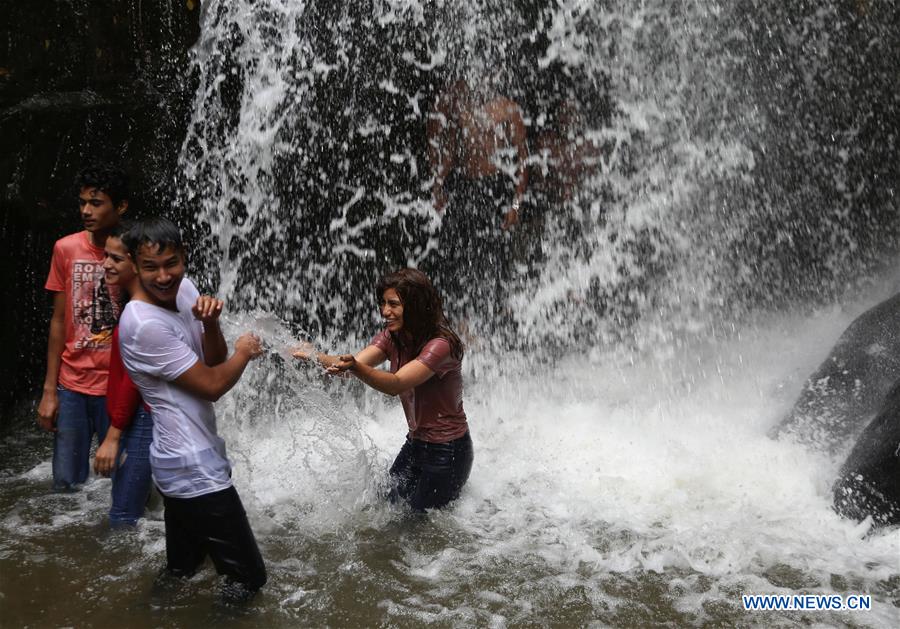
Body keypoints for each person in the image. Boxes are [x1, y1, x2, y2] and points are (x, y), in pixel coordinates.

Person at [117, 217, 267, 596]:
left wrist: (211, 324)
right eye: (150, 267)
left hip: (180, 460)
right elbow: (213, 386)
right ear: (135, 266)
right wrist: (244, 352)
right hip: (193, 467)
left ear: (184, 256)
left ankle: (149, 615)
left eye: (171, 263)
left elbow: (211, 361)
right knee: (249, 580)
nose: (164, 276)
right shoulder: (142, 324)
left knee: (184, 569)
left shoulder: (184, 291)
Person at [295, 268, 473, 512]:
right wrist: (314, 355)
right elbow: (350, 366)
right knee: (386, 509)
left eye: (393, 304)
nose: (384, 311)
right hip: (415, 444)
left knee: (417, 525)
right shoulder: (393, 337)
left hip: (448, 452)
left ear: (415, 306)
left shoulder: (440, 345)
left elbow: (396, 383)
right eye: (383, 303)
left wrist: (356, 367)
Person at [37, 164, 129, 490]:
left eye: (96, 203)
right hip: (72, 384)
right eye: (82, 203)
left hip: (117, 385)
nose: (86, 211)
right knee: (65, 486)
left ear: (120, 207)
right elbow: (59, 320)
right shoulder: (66, 248)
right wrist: (50, 392)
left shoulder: (131, 249)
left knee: (123, 484)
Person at [426, 80, 528, 321]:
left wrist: (516, 203)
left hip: (494, 188)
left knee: (494, 254)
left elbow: (523, 159)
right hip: (464, 186)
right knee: (454, 251)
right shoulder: (461, 109)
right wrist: (438, 188)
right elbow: (450, 151)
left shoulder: (508, 109)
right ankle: (459, 319)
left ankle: (496, 317)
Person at [91, 223, 155, 527]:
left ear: (136, 263)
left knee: (122, 517)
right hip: (131, 420)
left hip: (141, 420)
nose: (106, 264)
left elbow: (136, 377)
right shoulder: (134, 304)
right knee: (134, 509)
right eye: (106, 256)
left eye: (116, 259)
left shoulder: (141, 312)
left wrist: (113, 436)